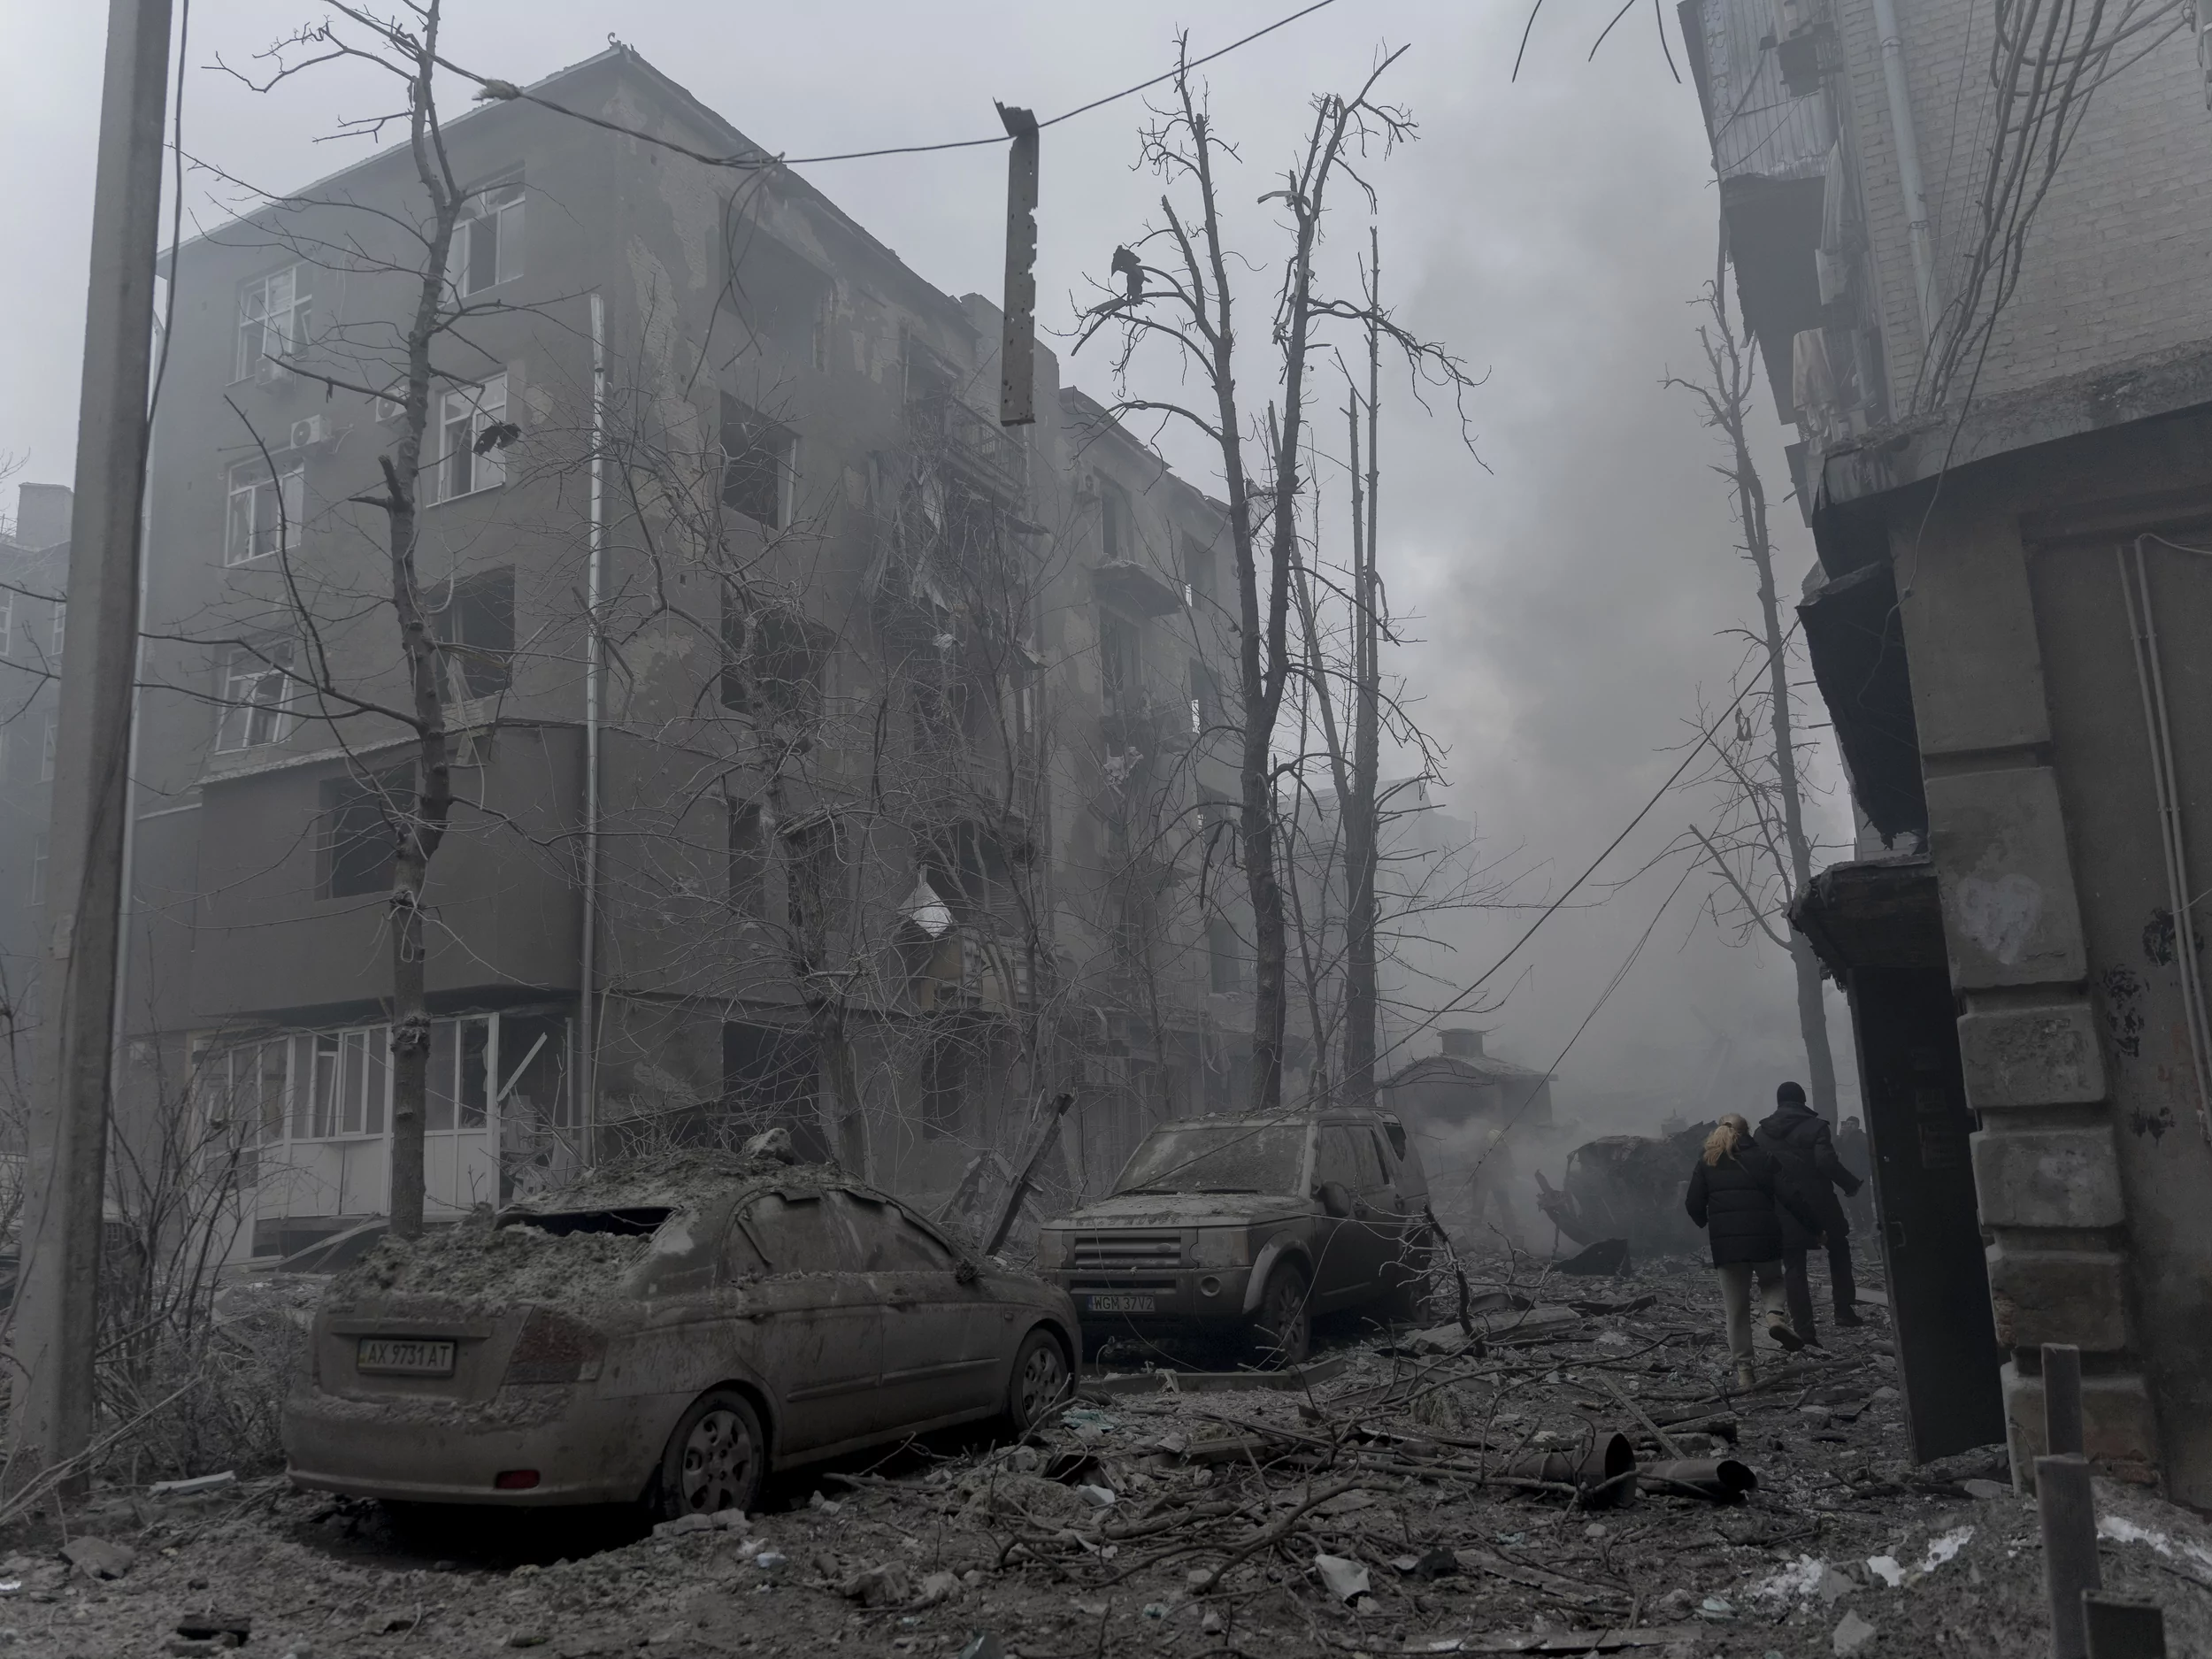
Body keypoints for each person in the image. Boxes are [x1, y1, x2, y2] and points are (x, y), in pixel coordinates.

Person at [1685, 1113, 1821, 1390]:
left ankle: (1745, 1371)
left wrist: (1709, 1221)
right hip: (1765, 1236)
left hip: (1727, 1245)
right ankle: (1773, 1315)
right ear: (1748, 1132)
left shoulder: (1707, 1161)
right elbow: (1792, 1196)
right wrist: (1816, 1228)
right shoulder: (1765, 1158)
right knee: (1773, 1281)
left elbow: (1692, 1204)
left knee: (1735, 1310)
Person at [1755, 1081, 1864, 1342]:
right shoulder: (1816, 1127)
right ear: (1803, 1101)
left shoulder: (1761, 1133)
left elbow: (1759, 1172)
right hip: (1820, 1203)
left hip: (1783, 1206)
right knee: (1839, 1248)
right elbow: (1826, 1161)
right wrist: (1850, 1184)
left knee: (1794, 1264)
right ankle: (1844, 1310)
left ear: (1779, 1102)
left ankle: (1804, 1330)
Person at [1835, 1115, 1872, 1233]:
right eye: (1847, 1124)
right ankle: (1859, 1227)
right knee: (1851, 1203)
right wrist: (1840, 1136)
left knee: (1863, 1202)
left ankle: (1870, 1225)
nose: (1849, 1126)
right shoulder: (1844, 1138)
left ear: (1857, 1126)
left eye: (1852, 1124)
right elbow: (1836, 1148)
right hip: (1849, 1175)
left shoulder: (1862, 1137)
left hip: (1861, 1175)